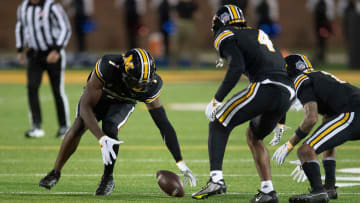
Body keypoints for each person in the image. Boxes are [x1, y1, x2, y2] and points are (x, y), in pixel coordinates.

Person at [38, 48, 197, 195]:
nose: (140, 87)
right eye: (136, 82)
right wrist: (101, 138)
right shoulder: (108, 66)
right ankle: (56, 171)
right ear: (124, 72)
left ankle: (108, 178)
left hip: (123, 103)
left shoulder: (151, 86)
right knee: (79, 126)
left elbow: (163, 124)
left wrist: (180, 161)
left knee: (110, 127)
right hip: (99, 98)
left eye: (144, 83)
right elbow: (85, 107)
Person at [191, 5, 295, 203]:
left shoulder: (226, 34)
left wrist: (217, 98)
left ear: (220, 22)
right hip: (287, 93)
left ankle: (216, 180)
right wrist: (281, 120)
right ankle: (268, 191)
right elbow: (279, 69)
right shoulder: (257, 33)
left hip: (266, 86)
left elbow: (237, 67)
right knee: (254, 137)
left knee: (219, 122)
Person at [273, 54, 360, 203]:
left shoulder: (300, 79)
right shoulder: (319, 76)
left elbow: (311, 118)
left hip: (353, 113)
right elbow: (327, 120)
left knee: (305, 150)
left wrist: (290, 145)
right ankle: (330, 187)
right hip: (353, 110)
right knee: (315, 147)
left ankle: (318, 192)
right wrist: (311, 158)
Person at [15, 0, 72, 138]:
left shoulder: (52, 6)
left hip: (52, 52)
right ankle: (36, 126)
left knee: (57, 89)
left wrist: (57, 50)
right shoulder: (23, 7)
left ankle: (64, 127)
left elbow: (65, 28)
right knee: (32, 87)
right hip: (34, 53)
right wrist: (20, 49)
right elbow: (20, 27)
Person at [306, 0, 335, 64]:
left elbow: (330, 12)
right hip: (318, 22)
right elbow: (310, 9)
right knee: (319, 39)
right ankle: (319, 54)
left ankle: (322, 55)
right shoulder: (314, 1)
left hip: (325, 22)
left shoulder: (328, 1)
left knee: (323, 40)